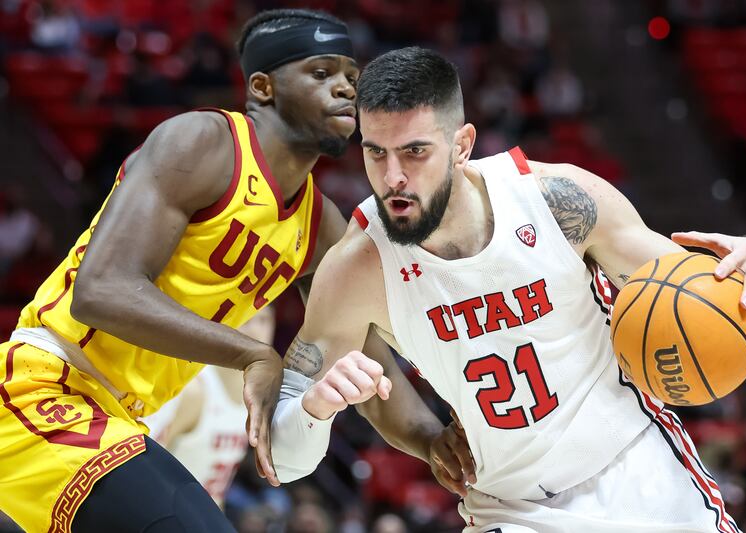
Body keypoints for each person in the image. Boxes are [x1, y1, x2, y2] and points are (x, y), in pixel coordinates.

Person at [268, 47, 746, 532]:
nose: (393, 178)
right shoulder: (357, 267)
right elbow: (284, 460)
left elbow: (700, 293)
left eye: (415, 151)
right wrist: (315, 409)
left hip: (638, 468)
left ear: (462, 145)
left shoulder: (559, 202)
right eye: (375, 153)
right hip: (510, 509)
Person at [0, 11, 451, 533]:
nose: (346, 89)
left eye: (351, 77)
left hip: (119, 415)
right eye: (322, 73)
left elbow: (362, 351)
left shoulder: (319, 223)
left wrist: (431, 442)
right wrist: (251, 353)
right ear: (263, 87)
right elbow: (100, 291)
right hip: (46, 388)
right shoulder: (205, 142)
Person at [144, 307, 275, 509]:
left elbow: (216, 489)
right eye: (247, 319)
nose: (256, 331)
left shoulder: (257, 397)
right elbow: (145, 467)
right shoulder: (195, 391)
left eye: (264, 320)